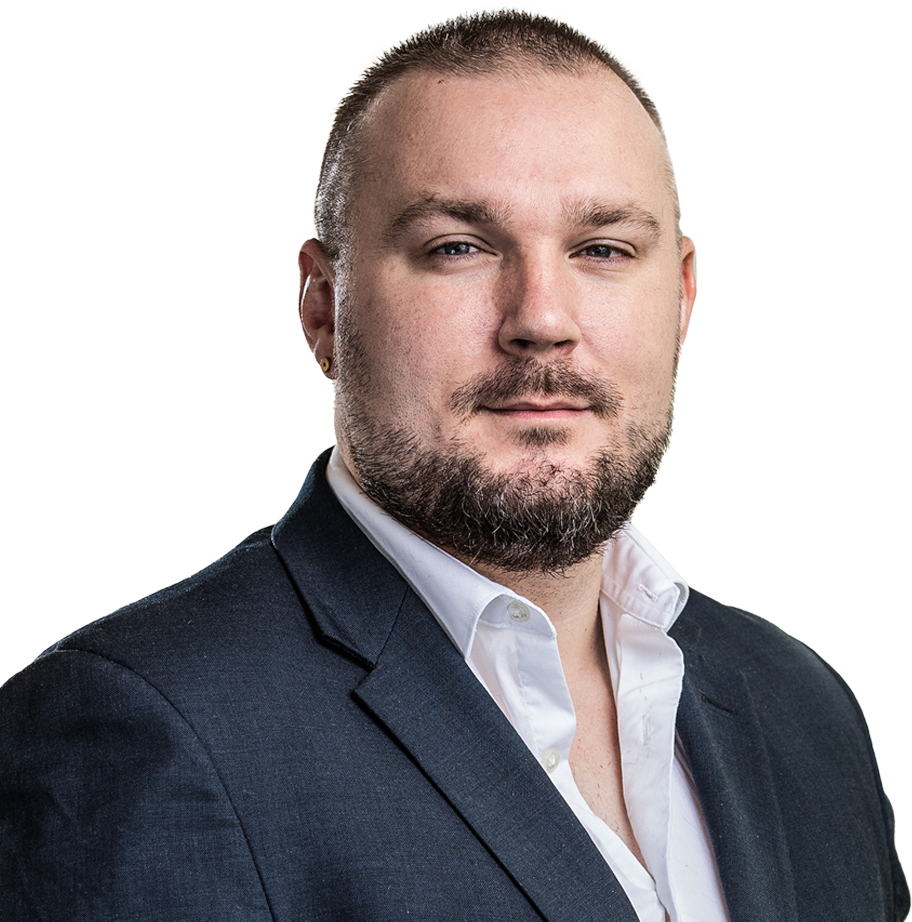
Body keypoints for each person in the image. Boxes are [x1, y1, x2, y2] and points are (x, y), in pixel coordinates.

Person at [0, 9, 907, 921]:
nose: (541, 317)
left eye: (602, 250)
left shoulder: (804, 710)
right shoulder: (132, 736)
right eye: (457, 248)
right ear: (322, 307)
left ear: (680, 296)